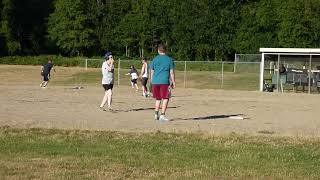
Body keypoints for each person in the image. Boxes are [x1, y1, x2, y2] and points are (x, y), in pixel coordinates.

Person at [151, 44, 176, 121]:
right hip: (164, 81)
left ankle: (156, 114)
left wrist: (152, 81)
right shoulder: (169, 59)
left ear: (158, 50)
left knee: (158, 99)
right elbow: (171, 72)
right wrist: (173, 82)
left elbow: (152, 71)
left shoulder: (154, 59)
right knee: (165, 98)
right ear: (166, 50)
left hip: (155, 81)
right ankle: (162, 115)